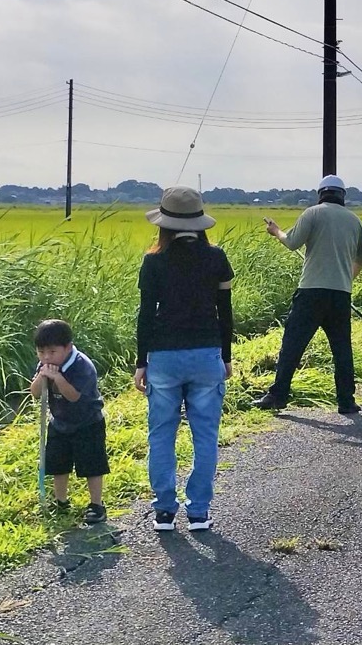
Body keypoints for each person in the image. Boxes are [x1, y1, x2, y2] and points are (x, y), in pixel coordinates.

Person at [134, 186, 234, 532]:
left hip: (163, 356)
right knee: (205, 435)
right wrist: (227, 356)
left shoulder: (154, 260)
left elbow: (146, 315)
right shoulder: (216, 257)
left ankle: (164, 511)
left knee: (161, 433)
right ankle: (199, 512)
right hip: (207, 354)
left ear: (164, 223)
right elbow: (225, 311)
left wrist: (140, 362)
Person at [253, 174, 362, 414]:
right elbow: (360, 261)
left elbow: (292, 242)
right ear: (342, 196)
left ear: (321, 194)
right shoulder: (355, 221)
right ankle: (346, 401)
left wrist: (276, 231)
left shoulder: (313, 213)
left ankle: (278, 396)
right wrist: (345, 279)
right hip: (340, 295)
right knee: (341, 349)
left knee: (293, 345)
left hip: (311, 292)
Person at [28, 319, 108, 525]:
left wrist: (58, 378)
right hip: (60, 422)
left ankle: (96, 505)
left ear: (68, 348)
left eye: (52, 352)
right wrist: (41, 377)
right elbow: (35, 394)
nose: (46, 357)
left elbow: (73, 396)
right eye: (41, 352)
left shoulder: (82, 366)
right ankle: (61, 501)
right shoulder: (45, 365)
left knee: (92, 464)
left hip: (88, 423)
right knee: (57, 464)